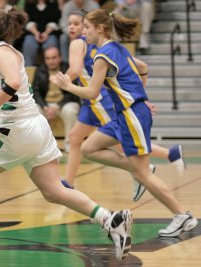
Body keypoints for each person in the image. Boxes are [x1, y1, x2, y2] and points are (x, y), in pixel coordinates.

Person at [0, 7, 133, 261]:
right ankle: (111, 219)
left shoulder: (1, 52)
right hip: (32, 128)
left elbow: (12, 83)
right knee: (54, 191)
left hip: (18, 129)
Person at [50, 9, 198, 237]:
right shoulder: (117, 48)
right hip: (126, 114)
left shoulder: (102, 56)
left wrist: (67, 85)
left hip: (130, 115)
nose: (84, 32)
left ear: (99, 29)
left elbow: (91, 92)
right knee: (89, 148)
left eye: (87, 27)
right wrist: (142, 97)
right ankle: (138, 168)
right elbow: (143, 69)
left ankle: (182, 216)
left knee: (143, 176)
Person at [32, 46, 80, 151]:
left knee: (70, 110)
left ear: (60, 57)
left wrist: (57, 107)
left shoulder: (67, 69)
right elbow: (35, 93)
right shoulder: (40, 70)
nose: (51, 61)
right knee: (33, 110)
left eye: (54, 58)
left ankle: (70, 145)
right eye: (48, 58)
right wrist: (45, 107)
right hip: (46, 105)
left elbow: (73, 93)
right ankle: (42, 147)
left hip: (63, 104)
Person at [59, 0, 99, 64]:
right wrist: (72, 33)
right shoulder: (67, 6)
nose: (71, 26)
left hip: (89, 32)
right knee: (63, 38)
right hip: (70, 33)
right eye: (70, 24)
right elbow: (64, 24)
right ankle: (65, 63)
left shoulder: (93, 5)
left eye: (75, 24)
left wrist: (84, 32)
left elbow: (96, 23)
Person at [22, 0, 61, 66]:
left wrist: (46, 33)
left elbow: (55, 21)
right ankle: (28, 70)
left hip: (50, 33)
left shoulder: (53, 4)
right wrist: (36, 33)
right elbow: (27, 22)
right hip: (32, 33)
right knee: (28, 43)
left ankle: (52, 71)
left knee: (51, 43)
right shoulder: (28, 5)